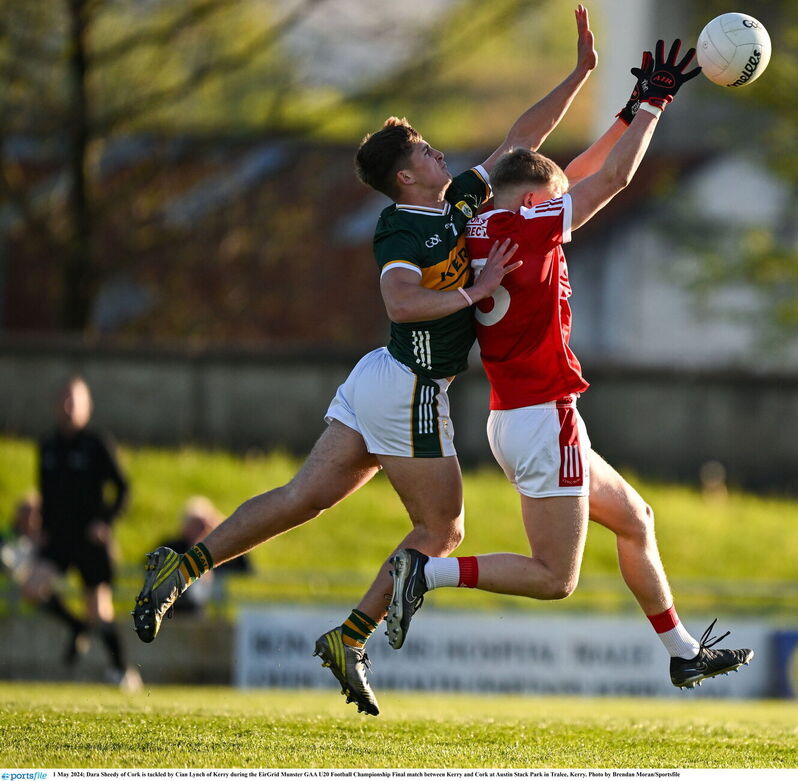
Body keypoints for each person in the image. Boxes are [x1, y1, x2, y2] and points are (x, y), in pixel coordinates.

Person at [133, 5, 597, 717]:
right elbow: (405, 302)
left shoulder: (455, 202)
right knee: (442, 533)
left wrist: (578, 74)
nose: (440, 153)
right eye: (426, 151)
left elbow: (519, 140)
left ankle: (184, 564)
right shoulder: (400, 225)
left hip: (380, 378)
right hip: (408, 384)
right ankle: (350, 635)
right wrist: (476, 289)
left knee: (303, 498)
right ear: (405, 177)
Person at [385, 39, 753, 689]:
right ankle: (428, 571)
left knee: (637, 520)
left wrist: (629, 108)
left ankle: (683, 650)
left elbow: (570, 173)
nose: (563, 207)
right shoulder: (529, 226)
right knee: (557, 577)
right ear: (533, 204)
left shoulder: (479, 223)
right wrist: (656, 108)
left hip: (519, 413)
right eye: (551, 199)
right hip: (542, 417)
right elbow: (608, 179)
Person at [26, 376, 141, 692]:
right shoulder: (47, 446)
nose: (67, 408)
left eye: (73, 402)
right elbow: (45, 493)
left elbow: (123, 489)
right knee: (31, 588)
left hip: (89, 542)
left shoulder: (96, 444)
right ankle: (76, 626)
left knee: (99, 609)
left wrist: (105, 522)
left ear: (85, 407)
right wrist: (42, 529)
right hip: (59, 540)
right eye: (63, 401)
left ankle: (122, 670)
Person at [157, 497, 252, 616]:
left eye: (204, 525)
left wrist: (223, 530)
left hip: (216, 614)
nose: (201, 530)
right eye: (196, 525)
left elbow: (245, 568)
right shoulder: (172, 547)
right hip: (177, 613)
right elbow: (148, 566)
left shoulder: (222, 547)